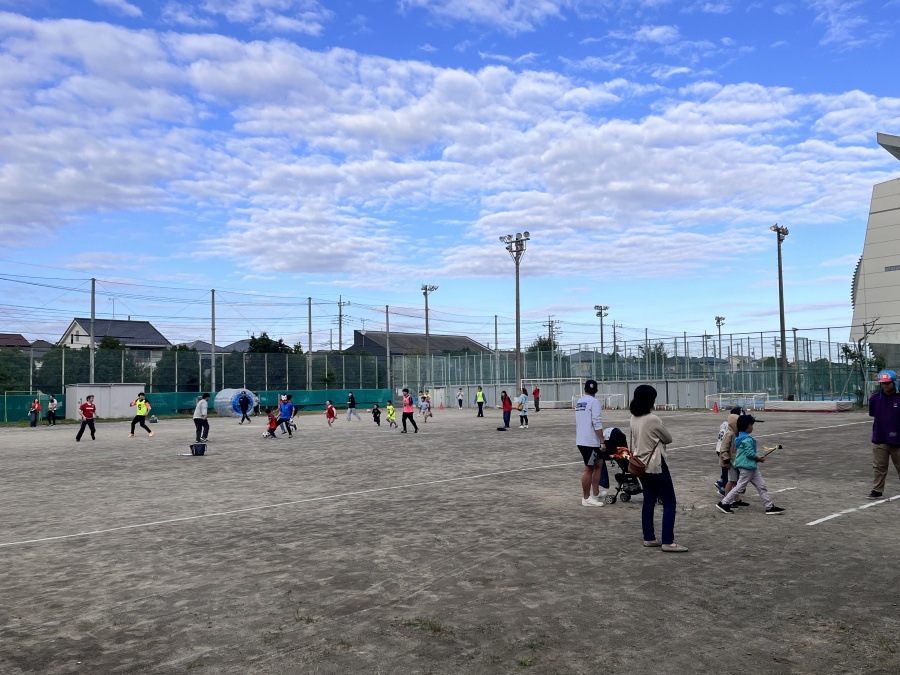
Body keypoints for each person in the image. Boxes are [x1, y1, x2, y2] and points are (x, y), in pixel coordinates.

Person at [629, 384, 686, 552]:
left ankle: (649, 537)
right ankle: (668, 541)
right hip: (655, 464)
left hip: (640, 464)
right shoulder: (652, 419)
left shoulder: (633, 418)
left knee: (649, 500)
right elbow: (668, 438)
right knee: (669, 502)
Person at [717, 415, 785, 515]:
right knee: (740, 487)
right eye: (751, 425)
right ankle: (724, 503)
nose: (752, 427)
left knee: (761, 486)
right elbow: (749, 454)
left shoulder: (740, 437)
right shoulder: (747, 439)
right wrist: (758, 458)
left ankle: (769, 506)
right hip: (747, 467)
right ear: (746, 427)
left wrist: (756, 458)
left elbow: (747, 453)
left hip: (751, 467)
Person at [868, 369, 900, 499]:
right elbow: (874, 414)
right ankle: (877, 490)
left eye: (888, 383)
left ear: (894, 382)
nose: (885, 385)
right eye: (883, 383)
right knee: (879, 466)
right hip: (880, 438)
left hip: (898, 440)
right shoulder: (874, 398)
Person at [575, 379, 605, 506]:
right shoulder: (594, 402)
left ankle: (596, 493)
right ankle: (586, 498)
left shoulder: (580, 401)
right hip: (590, 440)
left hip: (581, 438)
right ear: (596, 391)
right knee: (589, 468)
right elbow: (596, 422)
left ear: (585, 389)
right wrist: (602, 441)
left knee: (599, 463)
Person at [717, 408, 749, 507]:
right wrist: (726, 460)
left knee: (735, 481)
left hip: (735, 461)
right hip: (730, 462)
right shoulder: (729, 434)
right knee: (731, 481)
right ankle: (727, 499)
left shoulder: (735, 433)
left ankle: (736, 499)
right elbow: (724, 448)